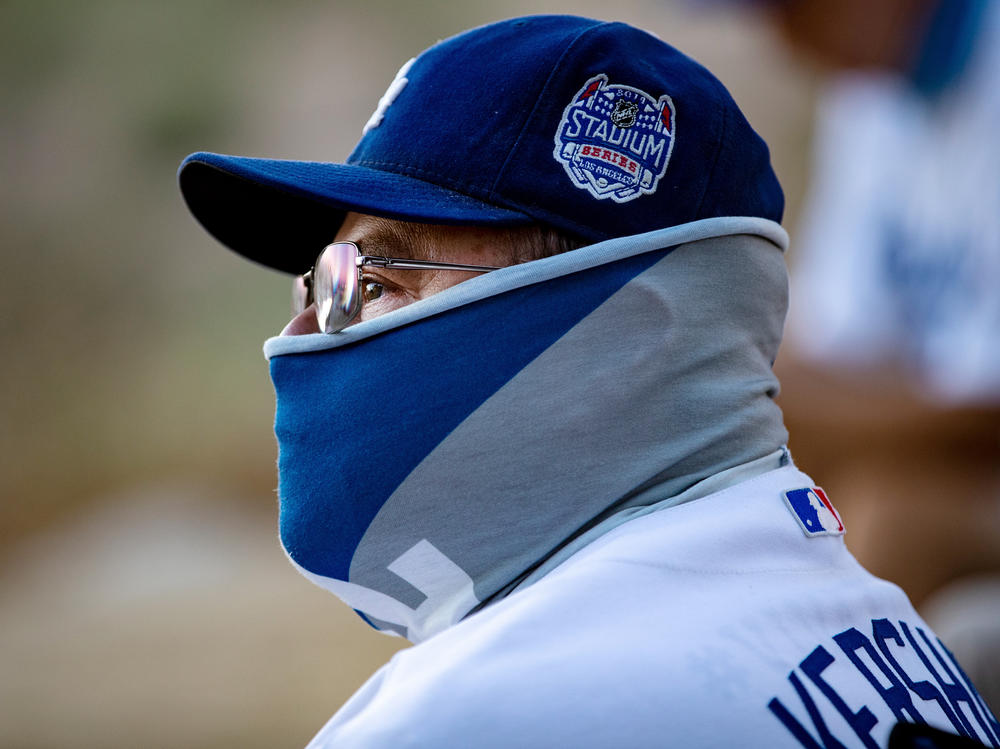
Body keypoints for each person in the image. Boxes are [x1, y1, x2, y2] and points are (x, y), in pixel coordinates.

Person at [177, 15, 999, 748]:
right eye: (315, 282)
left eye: (373, 281)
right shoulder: (899, 639)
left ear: (615, 326)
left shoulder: (465, 717)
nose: (301, 336)